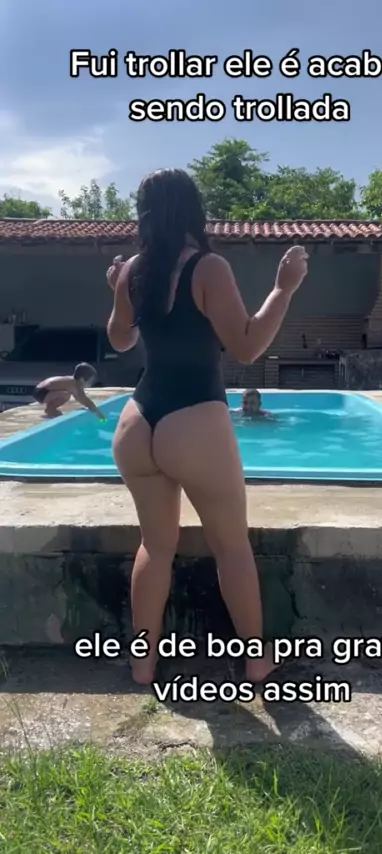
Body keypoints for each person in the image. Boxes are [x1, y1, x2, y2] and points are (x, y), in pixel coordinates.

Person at [106, 168, 308, 686]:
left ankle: (143, 665)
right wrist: (283, 290)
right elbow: (247, 345)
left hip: (137, 422)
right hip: (193, 418)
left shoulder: (132, 270)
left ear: (144, 214)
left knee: (155, 546)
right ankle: (257, 661)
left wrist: (118, 291)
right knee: (231, 546)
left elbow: (121, 341)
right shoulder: (207, 267)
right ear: (193, 208)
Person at [32, 363, 105, 420]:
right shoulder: (73, 384)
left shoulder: (72, 381)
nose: (90, 384)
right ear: (82, 380)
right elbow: (85, 400)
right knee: (66, 395)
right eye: (90, 382)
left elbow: (82, 400)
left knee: (64, 394)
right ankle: (50, 410)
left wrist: (94, 410)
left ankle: (50, 409)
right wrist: (99, 415)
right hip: (41, 392)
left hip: (41, 390)